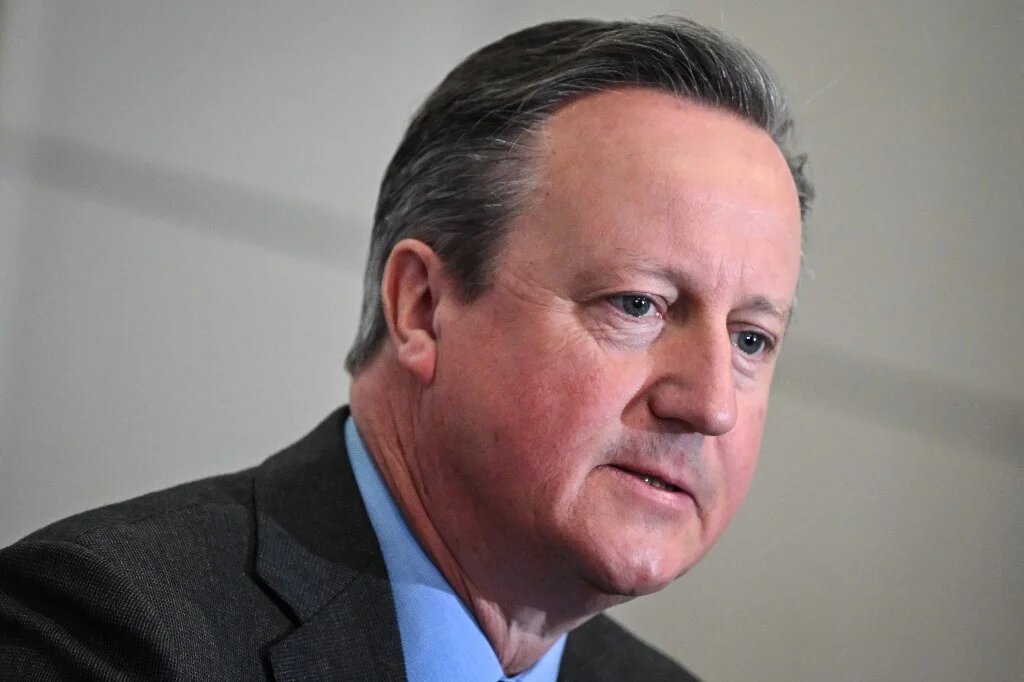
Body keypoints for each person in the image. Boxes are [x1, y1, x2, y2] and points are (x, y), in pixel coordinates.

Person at [0, 16, 812, 681]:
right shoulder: (109, 635)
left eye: (751, 339)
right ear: (422, 307)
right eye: (638, 304)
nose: (709, 403)